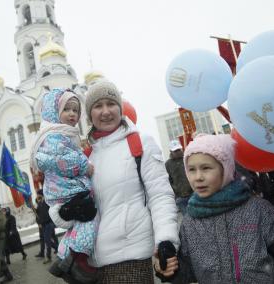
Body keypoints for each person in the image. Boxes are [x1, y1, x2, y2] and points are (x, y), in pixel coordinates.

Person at [52, 80, 179, 283]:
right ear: (89, 114)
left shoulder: (140, 143)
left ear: (120, 107)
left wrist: (166, 240)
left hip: (130, 259)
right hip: (90, 266)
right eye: (98, 106)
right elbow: (60, 200)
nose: (105, 111)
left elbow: (160, 196)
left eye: (111, 104)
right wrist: (66, 211)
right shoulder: (84, 155)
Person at [155, 134, 274, 283]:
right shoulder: (190, 222)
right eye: (191, 170)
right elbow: (190, 272)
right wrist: (170, 269)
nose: (198, 177)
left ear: (226, 169)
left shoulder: (257, 210)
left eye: (206, 168)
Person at [30, 88, 98, 283]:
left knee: (76, 227)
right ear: (53, 111)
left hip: (67, 188)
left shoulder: (62, 134)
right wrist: (85, 165)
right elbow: (62, 161)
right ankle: (79, 260)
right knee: (89, 219)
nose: (72, 114)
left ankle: (63, 259)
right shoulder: (54, 136)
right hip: (66, 190)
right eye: (67, 109)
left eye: (76, 110)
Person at [165, 139, 193, 215]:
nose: (178, 152)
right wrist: (175, 191)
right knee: (187, 219)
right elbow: (168, 181)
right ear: (170, 151)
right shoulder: (168, 164)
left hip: (193, 194)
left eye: (178, 150)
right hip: (180, 197)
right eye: (175, 151)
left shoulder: (187, 158)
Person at [34, 190, 58, 263]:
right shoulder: (39, 203)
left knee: (47, 240)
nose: (37, 196)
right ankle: (58, 249)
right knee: (47, 240)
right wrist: (33, 207)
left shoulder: (47, 202)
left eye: (38, 194)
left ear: (41, 195)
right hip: (44, 225)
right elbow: (38, 214)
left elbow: (48, 213)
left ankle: (49, 257)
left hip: (49, 224)